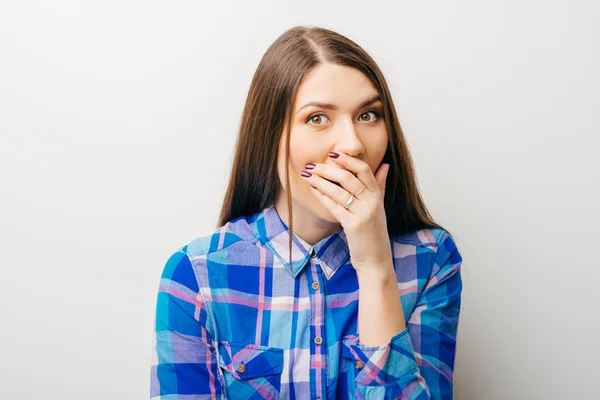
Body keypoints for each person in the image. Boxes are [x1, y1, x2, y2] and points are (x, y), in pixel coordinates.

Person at [150, 25, 463, 400]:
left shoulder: (431, 260)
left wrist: (376, 267)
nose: (352, 144)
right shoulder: (196, 275)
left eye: (368, 115)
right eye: (318, 118)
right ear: (270, 138)